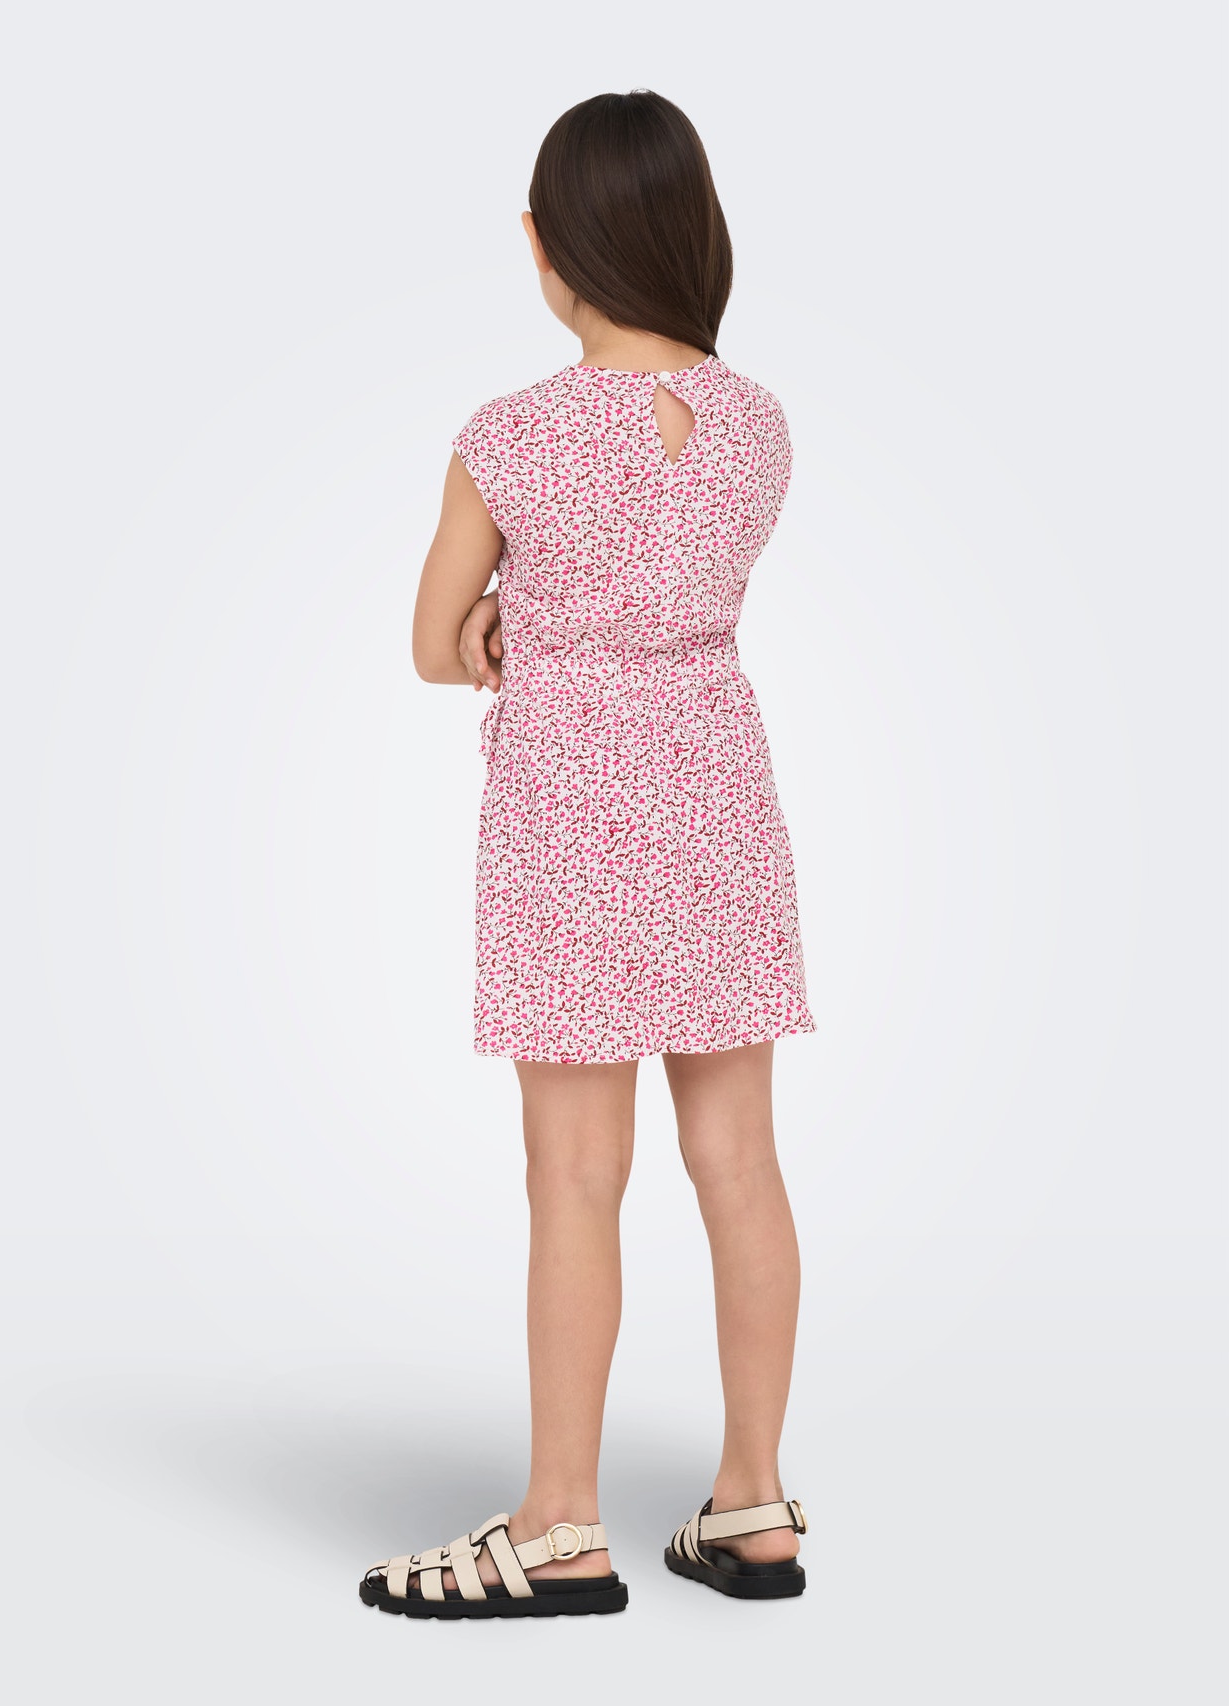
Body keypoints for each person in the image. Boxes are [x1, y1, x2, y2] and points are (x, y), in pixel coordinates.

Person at [361, 89, 817, 1621]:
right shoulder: (759, 423)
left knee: (574, 1174)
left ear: (546, 244)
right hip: (720, 798)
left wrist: (507, 622)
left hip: (570, 810)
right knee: (740, 1161)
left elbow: (434, 640)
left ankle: (561, 1520)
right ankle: (752, 1500)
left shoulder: (511, 436)